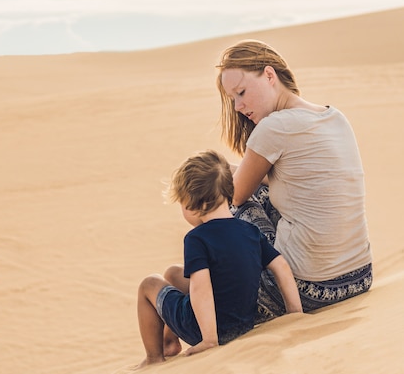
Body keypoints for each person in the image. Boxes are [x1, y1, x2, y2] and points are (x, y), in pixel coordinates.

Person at [215, 39, 373, 319]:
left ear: (269, 75)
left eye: (241, 92)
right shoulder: (334, 116)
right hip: (359, 278)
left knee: (230, 199)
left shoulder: (273, 127)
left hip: (308, 288)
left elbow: (237, 196)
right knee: (257, 191)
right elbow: (298, 182)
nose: (238, 106)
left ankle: (218, 283)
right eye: (232, 99)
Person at [136, 150, 303, 369]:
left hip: (203, 328)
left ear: (192, 203)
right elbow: (280, 266)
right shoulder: (250, 231)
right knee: (173, 274)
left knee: (149, 284)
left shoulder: (196, 238)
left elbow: (201, 289)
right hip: (242, 324)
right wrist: (295, 313)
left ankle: (154, 357)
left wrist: (209, 339)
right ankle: (169, 342)